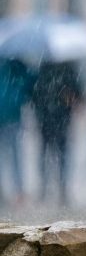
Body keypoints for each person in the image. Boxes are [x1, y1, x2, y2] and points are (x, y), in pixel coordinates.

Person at [31, 61, 82, 207]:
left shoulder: (43, 71)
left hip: (53, 121)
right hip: (53, 121)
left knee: (53, 156)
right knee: (57, 156)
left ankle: (56, 190)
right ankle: (55, 190)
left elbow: (33, 96)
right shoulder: (66, 71)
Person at [0, 58, 33, 206]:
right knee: (15, 156)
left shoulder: (15, 64)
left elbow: (28, 83)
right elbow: (29, 83)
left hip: (11, 116)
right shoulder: (17, 63)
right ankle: (18, 192)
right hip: (13, 114)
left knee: (14, 155)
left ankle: (17, 192)